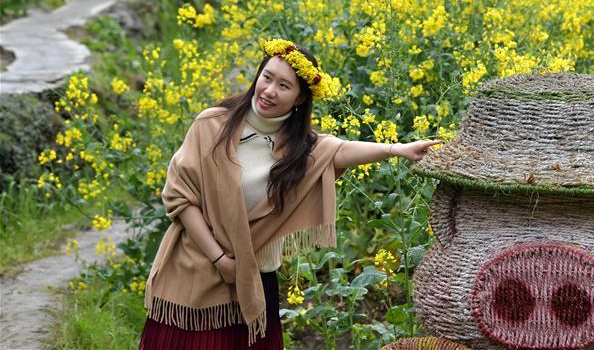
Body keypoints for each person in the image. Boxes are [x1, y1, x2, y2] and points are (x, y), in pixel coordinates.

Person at [138, 38, 440, 349]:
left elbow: (340, 151)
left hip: (254, 279)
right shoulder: (212, 125)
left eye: (284, 86)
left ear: (299, 99)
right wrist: (220, 259)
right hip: (192, 269)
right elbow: (180, 196)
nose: (269, 91)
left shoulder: (299, 150)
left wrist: (398, 149)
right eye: (266, 78)